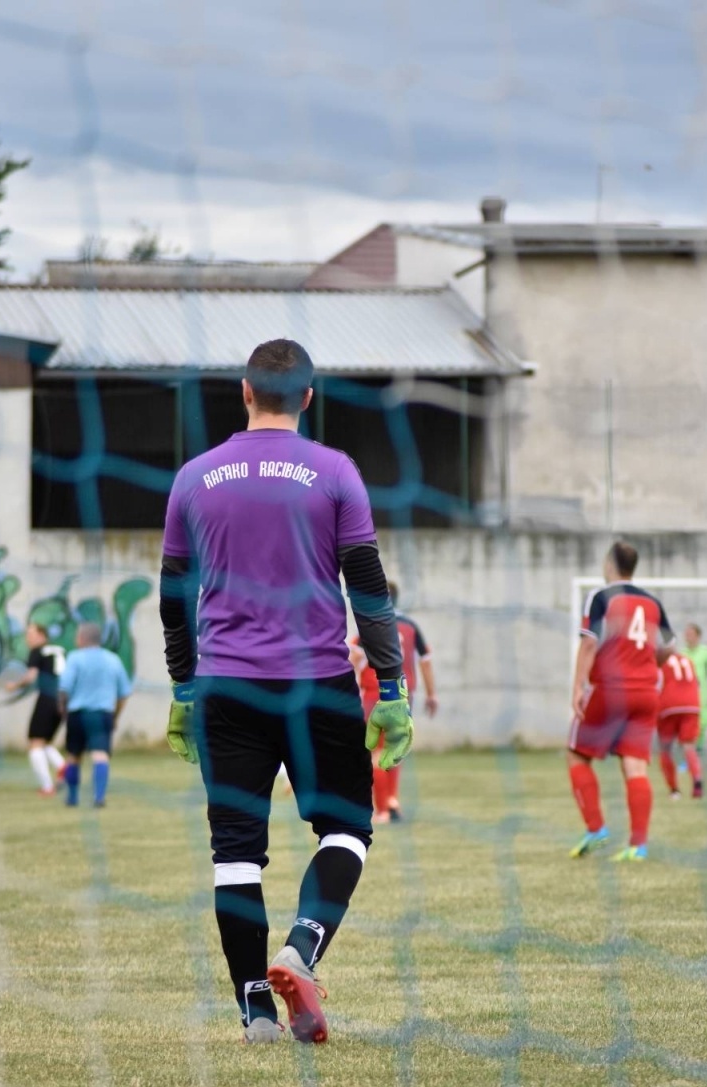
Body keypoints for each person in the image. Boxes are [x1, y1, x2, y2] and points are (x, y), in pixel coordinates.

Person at [160, 338, 412, 1046]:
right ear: (308, 396)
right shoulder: (335, 472)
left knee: (236, 853)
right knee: (347, 830)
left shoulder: (194, 477)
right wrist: (390, 687)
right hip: (318, 686)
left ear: (245, 391)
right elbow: (368, 590)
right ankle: (300, 948)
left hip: (227, 688)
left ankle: (256, 1014)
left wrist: (183, 686)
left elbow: (171, 598)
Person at [567, 541, 674, 862]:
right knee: (635, 767)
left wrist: (577, 687)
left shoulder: (601, 597)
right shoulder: (653, 602)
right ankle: (638, 845)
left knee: (576, 755)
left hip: (611, 689)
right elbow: (669, 648)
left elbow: (589, 644)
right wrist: (646, 666)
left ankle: (596, 828)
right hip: (646, 694)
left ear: (610, 564)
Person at [350, 580, 438, 823]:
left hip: (374, 695)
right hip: (403, 694)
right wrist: (432, 694)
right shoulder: (411, 626)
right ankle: (392, 800)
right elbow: (426, 659)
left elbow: (352, 656)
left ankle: (382, 811)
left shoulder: (368, 626)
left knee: (375, 753)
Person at [58, 623, 132, 808]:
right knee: (100, 755)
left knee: (73, 755)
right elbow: (123, 693)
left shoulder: (74, 658)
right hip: (102, 714)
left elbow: (64, 689)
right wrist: (115, 716)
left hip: (78, 713)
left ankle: (72, 797)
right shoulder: (113, 659)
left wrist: (63, 712)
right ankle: (99, 797)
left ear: (82, 638)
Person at [5, 622, 67, 795]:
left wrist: (14, 685)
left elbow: (31, 677)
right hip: (64, 700)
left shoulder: (37, 651)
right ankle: (64, 769)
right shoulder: (60, 649)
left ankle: (47, 787)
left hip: (47, 698)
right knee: (44, 741)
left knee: (35, 742)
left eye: (31, 634)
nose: (28, 639)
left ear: (42, 635)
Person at [657, 652, 703, 801]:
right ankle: (697, 779)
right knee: (689, 746)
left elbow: (656, 684)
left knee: (665, 749)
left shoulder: (659, 660)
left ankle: (674, 789)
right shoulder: (687, 660)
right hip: (691, 704)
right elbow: (697, 683)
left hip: (668, 706)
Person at [682, 623, 707, 752]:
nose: (688, 637)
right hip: (685, 694)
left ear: (698, 636)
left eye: (691, 635)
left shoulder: (706, 653)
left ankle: (698, 749)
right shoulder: (682, 653)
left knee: (702, 722)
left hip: (701, 694)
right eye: (687, 635)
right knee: (686, 725)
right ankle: (687, 755)